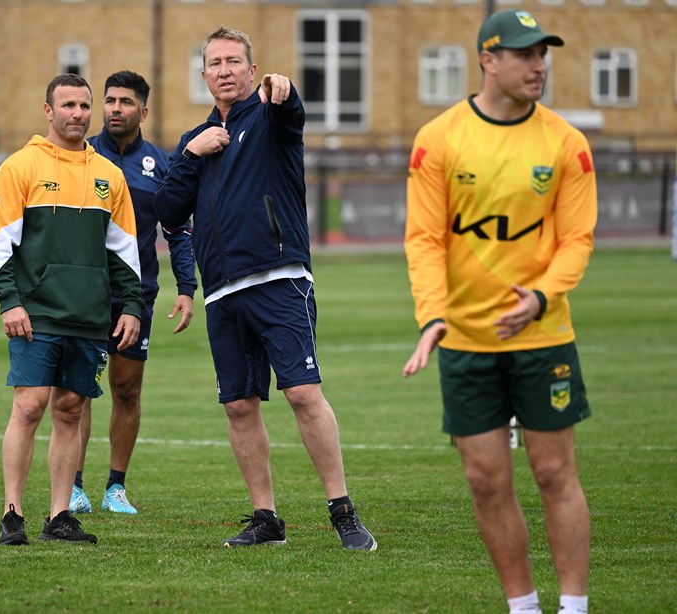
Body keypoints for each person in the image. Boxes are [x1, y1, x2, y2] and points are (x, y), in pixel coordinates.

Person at [153, 26, 376, 551]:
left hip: (279, 278)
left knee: (301, 392)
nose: (225, 70)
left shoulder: (271, 117)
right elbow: (166, 210)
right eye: (215, 63)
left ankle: (342, 511)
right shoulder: (195, 140)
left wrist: (285, 91)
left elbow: (291, 109)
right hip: (222, 292)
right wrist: (191, 155)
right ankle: (266, 517)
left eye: (235, 61)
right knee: (238, 405)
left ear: (252, 71)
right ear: (203, 75)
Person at [402, 10, 595, 614]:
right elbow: (426, 240)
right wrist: (433, 316)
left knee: (554, 473)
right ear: (489, 59)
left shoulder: (566, 142)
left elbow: (577, 241)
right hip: (465, 341)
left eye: (543, 55)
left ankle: (574, 607)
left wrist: (540, 297)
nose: (539, 66)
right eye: (524, 55)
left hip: (544, 337)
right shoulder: (439, 138)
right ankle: (523, 606)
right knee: (486, 480)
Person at [0, 73, 144, 545]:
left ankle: (59, 516)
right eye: (68, 105)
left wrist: (132, 305)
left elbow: (125, 252)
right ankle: (13, 514)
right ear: (48, 111)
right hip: (35, 313)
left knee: (71, 411)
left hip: (89, 316)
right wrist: (8, 301)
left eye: (83, 106)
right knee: (29, 406)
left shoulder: (109, 175)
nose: (77, 114)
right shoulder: (19, 167)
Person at [67, 70, 197, 515]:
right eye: (109, 101)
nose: (114, 109)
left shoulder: (160, 165)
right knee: (77, 389)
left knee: (126, 389)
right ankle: (73, 486)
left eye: (125, 102)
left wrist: (186, 288)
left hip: (135, 297)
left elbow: (178, 230)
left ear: (143, 110)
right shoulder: (80, 157)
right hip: (81, 294)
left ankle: (115, 488)